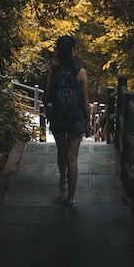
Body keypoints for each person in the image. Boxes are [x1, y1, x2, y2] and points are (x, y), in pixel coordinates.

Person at [43, 35, 90, 207]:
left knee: (61, 151)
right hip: (76, 119)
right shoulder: (81, 72)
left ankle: (63, 178)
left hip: (58, 118)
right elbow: (85, 101)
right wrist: (88, 120)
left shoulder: (51, 72)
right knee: (72, 158)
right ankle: (71, 197)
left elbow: (46, 96)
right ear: (72, 51)